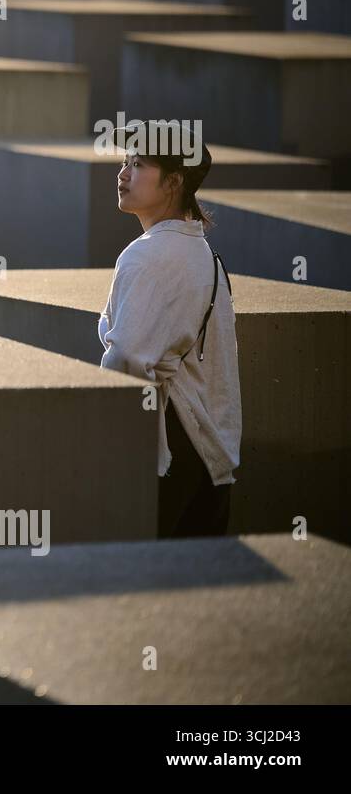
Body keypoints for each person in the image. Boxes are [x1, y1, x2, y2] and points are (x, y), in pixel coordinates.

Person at [98, 124, 241, 537]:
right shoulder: (203, 253)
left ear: (174, 182)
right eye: (125, 162)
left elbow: (124, 360)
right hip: (208, 458)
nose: (123, 173)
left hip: (166, 453)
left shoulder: (147, 256)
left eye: (139, 164)